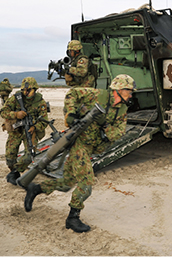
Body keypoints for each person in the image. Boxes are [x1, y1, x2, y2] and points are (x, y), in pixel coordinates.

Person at [23, 74, 136, 233]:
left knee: (66, 184)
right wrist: (70, 115)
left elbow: (119, 132)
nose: (131, 94)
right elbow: (72, 94)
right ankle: (72, 218)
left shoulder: (122, 109)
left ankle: (35, 189)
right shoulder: (97, 95)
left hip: (92, 147)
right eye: (129, 91)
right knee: (87, 183)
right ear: (119, 89)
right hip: (79, 143)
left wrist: (105, 127)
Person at [0, 77, 49, 185]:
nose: (25, 93)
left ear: (35, 89)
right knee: (10, 155)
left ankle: (16, 171)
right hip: (16, 130)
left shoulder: (40, 102)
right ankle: (13, 171)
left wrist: (35, 127)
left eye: (28, 90)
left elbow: (45, 121)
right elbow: (3, 111)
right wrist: (16, 114)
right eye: (24, 90)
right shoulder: (16, 98)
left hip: (30, 131)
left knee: (29, 154)